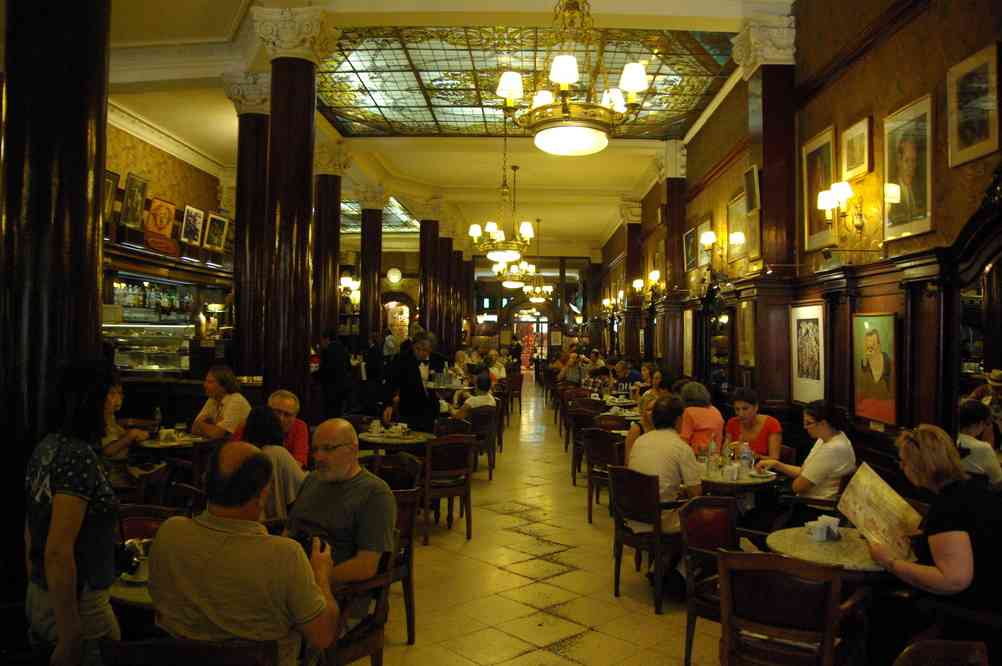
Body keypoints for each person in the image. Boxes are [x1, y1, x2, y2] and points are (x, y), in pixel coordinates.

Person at [149, 441, 339, 666]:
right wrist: (322, 575)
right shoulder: (285, 555)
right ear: (262, 494)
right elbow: (323, 636)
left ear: (205, 481)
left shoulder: (170, 531)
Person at [25, 360, 122, 666]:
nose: (115, 401)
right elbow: (58, 550)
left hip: (43, 594)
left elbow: (31, 527)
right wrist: (69, 633)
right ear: (91, 400)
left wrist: (39, 585)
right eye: (110, 393)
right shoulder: (77, 457)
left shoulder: (47, 446)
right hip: (80, 602)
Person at [867, 425, 1002, 615]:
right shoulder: (971, 486)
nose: (901, 466)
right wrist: (926, 536)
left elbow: (954, 580)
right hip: (992, 590)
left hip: (976, 609)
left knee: (880, 598)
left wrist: (889, 562)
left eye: (904, 462)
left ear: (919, 466)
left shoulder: (948, 506)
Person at [286, 419, 396, 640]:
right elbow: (289, 531)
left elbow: (366, 566)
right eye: (315, 449)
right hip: (293, 583)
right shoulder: (313, 480)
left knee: (267, 634)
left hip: (338, 596)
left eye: (328, 449)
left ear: (353, 450)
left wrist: (317, 579)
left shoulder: (375, 494)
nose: (318, 457)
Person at [626, 395, 703, 532]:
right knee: (710, 514)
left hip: (633, 516)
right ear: (679, 419)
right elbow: (695, 494)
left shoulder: (640, 440)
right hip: (661, 520)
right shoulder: (681, 447)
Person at [756, 400, 855, 501]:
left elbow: (798, 487)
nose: (805, 427)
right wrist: (776, 464)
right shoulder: (827, 437)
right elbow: (803, 471)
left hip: (816, 506)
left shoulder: (832, 449)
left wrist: (797, 479)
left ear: (823, 423)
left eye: (809, 423)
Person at [241, 407, 306, 521]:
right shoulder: (277, 452)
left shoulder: (245, 452)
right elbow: (302, 486)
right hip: (276, 523)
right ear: (276, 426)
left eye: (287, 414)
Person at [383, 331, 440, 433]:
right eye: (417, 349)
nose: (421, 353)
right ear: (413, 346)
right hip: (408, 409)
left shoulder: (438, 360)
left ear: (431, 349)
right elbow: (391, 383)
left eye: (425, 350)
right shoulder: (401, 359)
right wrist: (388, 405)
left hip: (431, 410)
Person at [100, 378, 150, 488]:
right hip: (112, 476)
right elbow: (108, 450)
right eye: (112, 394)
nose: (119, 398)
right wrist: (131, 435)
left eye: (120, 393)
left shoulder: (110, 416)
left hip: (120, 469)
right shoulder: (101, 418)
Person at [191, 365, 251, 439]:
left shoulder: (236, 400)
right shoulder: (212, 399)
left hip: (237, 448)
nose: (205, 385)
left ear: (224, 385)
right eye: (206, 381)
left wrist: (202, 424)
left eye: (210, 382)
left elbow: (217, 434)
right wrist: (211, 426)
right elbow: (194, 428)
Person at [724, 387, 782, 460]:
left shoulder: (772, 424)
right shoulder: (732, 423)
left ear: (756, 407)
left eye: (745, 409)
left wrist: (754, 456)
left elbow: (774, 459)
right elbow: (725, 452)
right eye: (737, 409)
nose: (740, 414)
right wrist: (732, 452)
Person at [955, 399, 1002, 487]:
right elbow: (998, 481)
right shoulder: (984, 448)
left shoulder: (946, 439)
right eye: (986, 424)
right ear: (980, 423)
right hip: (979, 498)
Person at [856, 328, 894, 424]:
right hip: (868, 413)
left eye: (873, 344)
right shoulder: (864, 364)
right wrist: (865, 365)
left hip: (886, 412)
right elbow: (862, 392)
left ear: (879, 345)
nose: (870, 347)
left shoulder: (888, 362)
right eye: (868, 346)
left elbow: (893, 392)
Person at [679, 381, 725, 455]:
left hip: (696, 456)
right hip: (715, 457)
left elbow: (684, 440)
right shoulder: (715, 410)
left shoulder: (689, 412)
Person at [888, 135, 924, 226]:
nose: (911, 166)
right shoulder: (891, 189)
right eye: (907, 161)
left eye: (913, 160)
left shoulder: (921, 188)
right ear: (898, 161)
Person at [318, 327, 351, 419]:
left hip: (330, 387)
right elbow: (348, 366)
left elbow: (325, 370)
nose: (321, 343)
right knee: (338, 411)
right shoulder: (343, 348)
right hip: (342, 386)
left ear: (327, 339)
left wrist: (317, 377)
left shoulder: (327, 350)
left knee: (329, 412)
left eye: (322, 340)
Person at [968, 368, 1002, 447]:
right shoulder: (982, 390)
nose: (996, 389)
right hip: (983, 421)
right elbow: (968, 403)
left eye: (999, 387)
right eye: (994, 387)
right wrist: (981, 404)